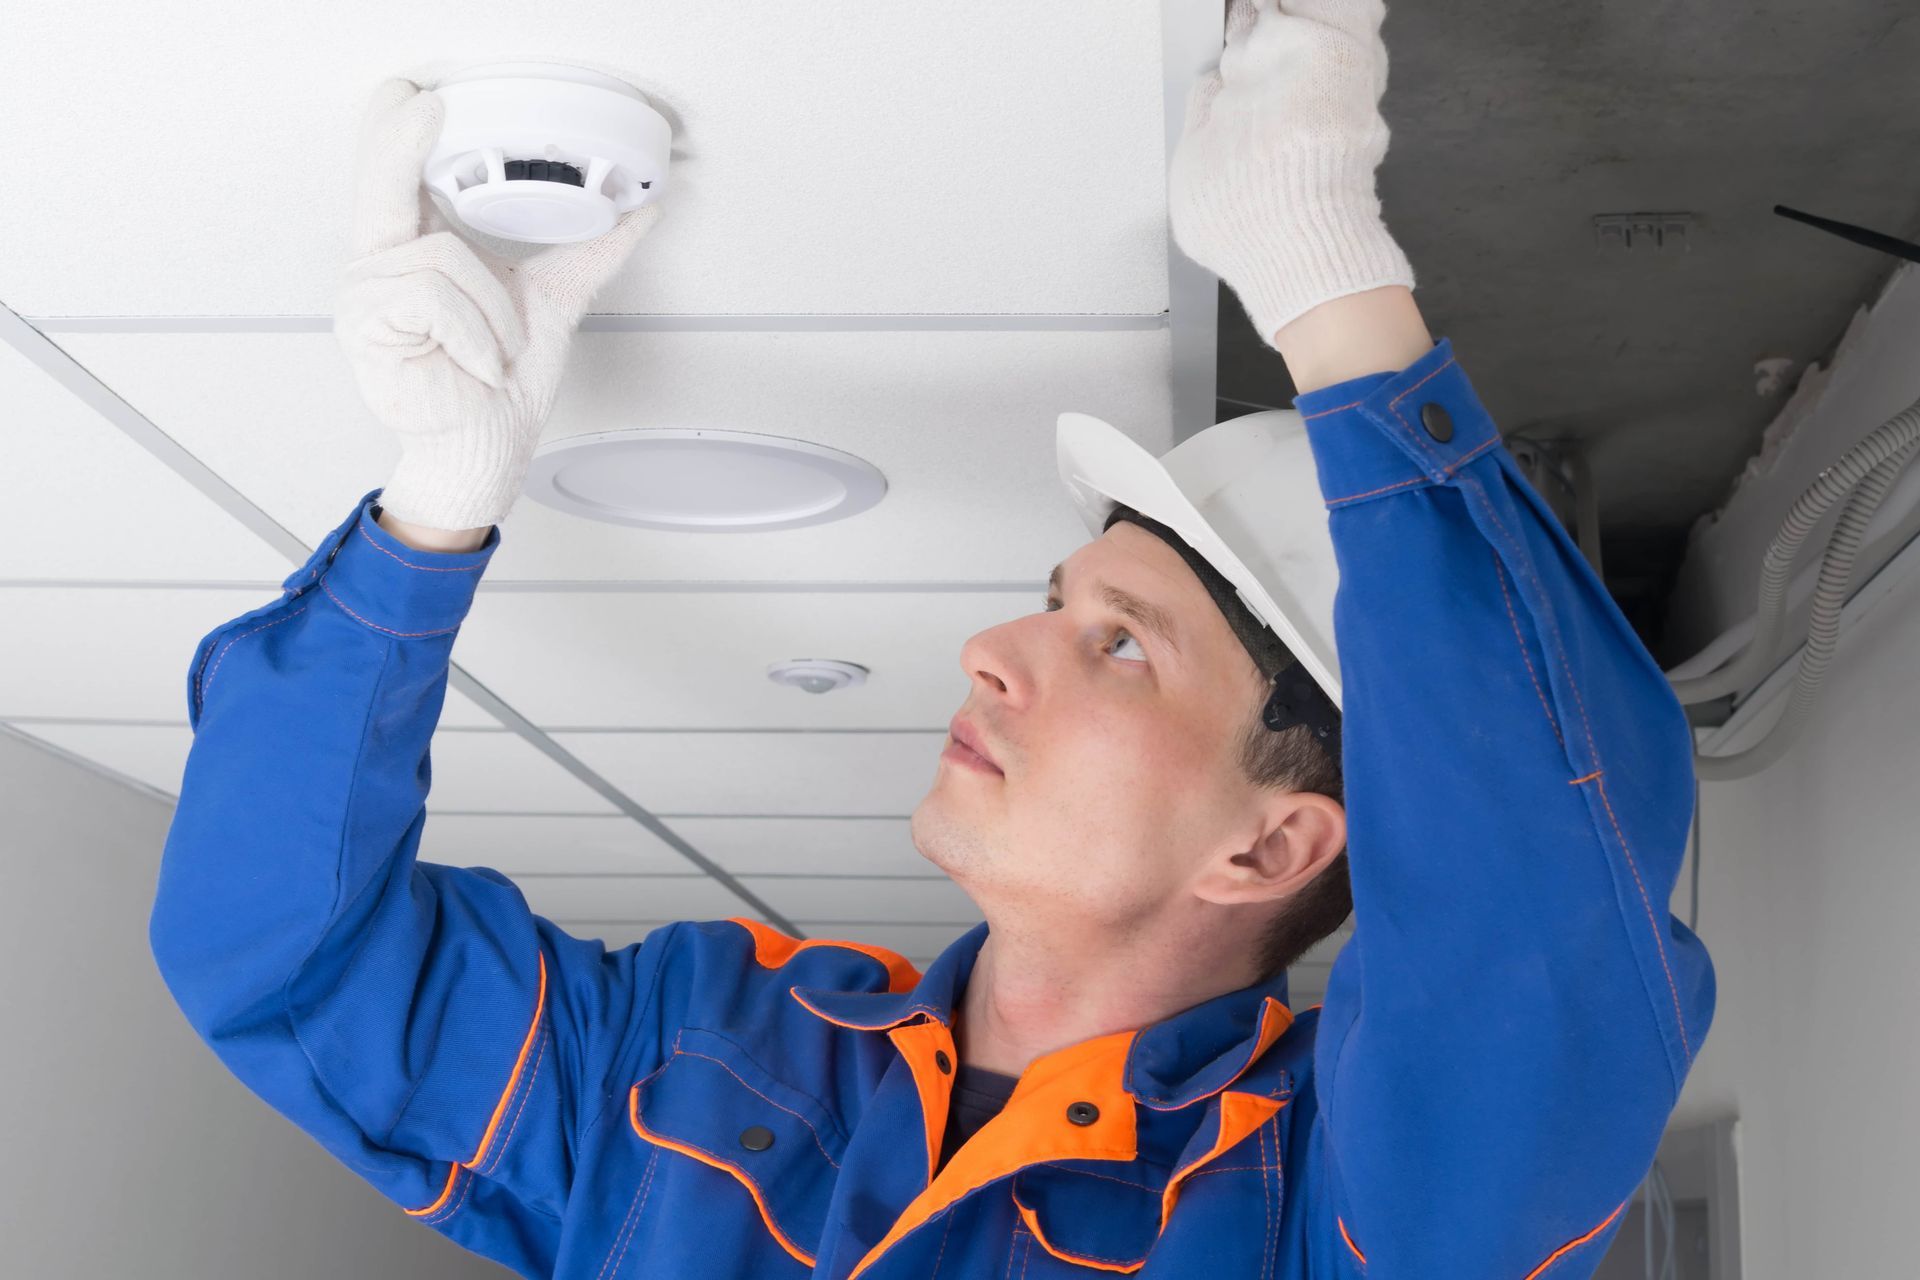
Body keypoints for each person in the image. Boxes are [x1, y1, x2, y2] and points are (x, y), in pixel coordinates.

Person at [150, 2, 1714, 1276]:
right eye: (1061, 603)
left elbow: (1545, 916)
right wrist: (428, 520)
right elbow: (280, 958)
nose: (992, 649)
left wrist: (1330, 281)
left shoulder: (1324, 1215)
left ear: (1271, 844)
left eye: (1121, 646)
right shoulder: (699, 1058)